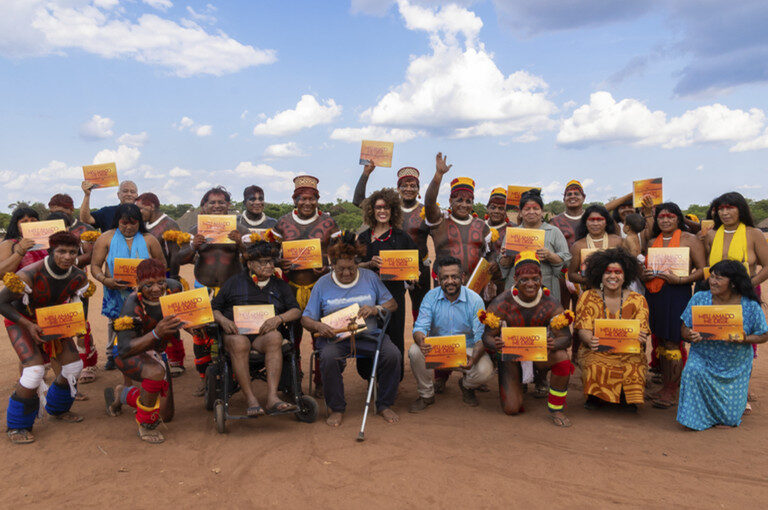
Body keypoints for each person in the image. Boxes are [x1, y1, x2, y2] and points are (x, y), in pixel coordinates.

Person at [300, 232, 400, 427]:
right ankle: (336, 408)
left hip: (369, 335)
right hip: (335, 339)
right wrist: (319, 325)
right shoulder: (322, 284)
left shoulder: (370, 277)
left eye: (351, 268)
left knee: (393, 355)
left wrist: (375, 309)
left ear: (357, 263)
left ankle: (384, 404)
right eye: (341, 269)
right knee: (328, 358)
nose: (346, 273)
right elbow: (306, 318)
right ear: (333, 266)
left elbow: (392, 304)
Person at [0, 232, 91, 444]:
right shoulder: (28, 274)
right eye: (61, 251)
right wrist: (29, 325)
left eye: (72, 252)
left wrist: (78, 322)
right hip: (21, 320)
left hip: (53, 320)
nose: (67, 257)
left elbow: (80, 301)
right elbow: (1, 303)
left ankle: (58, 409)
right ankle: (17, 425)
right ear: (50, 252)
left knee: (73, 368)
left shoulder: (78, 276)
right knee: (34, 371)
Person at [483, 252, 574, 426]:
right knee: (512, 408)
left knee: (562, 358)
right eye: (524, 279)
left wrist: (554, 343)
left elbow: (566, 338)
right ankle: (516, 383)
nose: (531, 284)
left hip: (539, 354)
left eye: (534, 278)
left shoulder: (551, 303)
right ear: (515, 279)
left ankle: (556, 408)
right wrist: (494, 344)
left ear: (541, 277)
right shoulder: (501, 303)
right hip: (511, 358)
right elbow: (487, 336)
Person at [212, 240, 301, 416]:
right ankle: (251, 399)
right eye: (263, 262)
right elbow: (214, 308)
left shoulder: (279, 285)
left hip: (263, 336)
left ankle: (272, 398)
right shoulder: (234, 282)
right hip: (236, 334)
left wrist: (279, 318)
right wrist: (223, 321)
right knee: (240, 343)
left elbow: (296, 310)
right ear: (250, 264)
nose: (269, 266)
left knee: (275, 337)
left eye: (271, 261)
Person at [678, 260, 768, 430]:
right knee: (692, 370)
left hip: (735, 365)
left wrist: (744, 338)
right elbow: (684, 328)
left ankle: (729, 411)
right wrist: (690, 335)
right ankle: (695, 417)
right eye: (711, 277)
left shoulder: (749, 305)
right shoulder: (700, 298)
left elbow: (764, 335)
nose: (712, 281)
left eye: (718, 278)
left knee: (729, 419)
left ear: (733, 283)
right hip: (704, 357)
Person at [176, 186, 249, 392]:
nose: (217, 206)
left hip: (233, 290)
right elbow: (177, 259)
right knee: (202, 335)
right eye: (212, 202)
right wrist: (193, 247)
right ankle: (205, 380)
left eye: (221, 202)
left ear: (228, 205)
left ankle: (235, 377)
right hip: (204, 288)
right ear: (204, 206)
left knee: (234, 332)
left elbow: (257, 257)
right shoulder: (194, 231)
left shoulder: (240, 230)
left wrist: (241, 245)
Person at [104, 259, 183, 443]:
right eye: (148, 285)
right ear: (138, 283)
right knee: (156, 372)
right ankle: (145, 425)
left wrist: (193, 326)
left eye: (161, 282)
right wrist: (157, 333)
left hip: (155, 349)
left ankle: (122, 394)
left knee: (166, 415)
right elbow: (125, 348)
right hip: (128, 352)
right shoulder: (132, 305)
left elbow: (182, 316)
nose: (156, 289)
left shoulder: (174, 289)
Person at [274, 175, 339, 395]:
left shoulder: (329, 223)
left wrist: (328, 266)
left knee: (321, 335)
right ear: (295, 200)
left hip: (321, 288)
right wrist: (278, 262)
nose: (307, 203)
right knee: (291, 336)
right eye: (302, 198)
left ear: (317, 199)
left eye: (312, 198)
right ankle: (293, 379)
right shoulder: (282, 223)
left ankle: (322, 380)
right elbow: (267, 255)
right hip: (289, 287)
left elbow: (340, 255)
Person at [641, 202, 706, 408]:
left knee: (672, 341)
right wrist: (644, 274)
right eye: (661, 217)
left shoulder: (690, 239)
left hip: (677, 293)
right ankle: (666, 384)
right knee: (660, 340)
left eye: (670, 216)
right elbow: (645, 266)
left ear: (678, 218)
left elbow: (703, 270)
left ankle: (671, 389)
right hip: (654, 294)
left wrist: (681, 280)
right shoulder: (652, 241)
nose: (666, 220)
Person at [409, 256, 493, 412]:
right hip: (438, 350)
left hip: (466, 350)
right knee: (415, 351)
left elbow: (480, 337)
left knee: (485, 370)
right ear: (438, 279)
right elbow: (420, 326)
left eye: (454, 277)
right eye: (445, 278)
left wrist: (473, 358)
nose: (450, 281)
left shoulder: (475, 300)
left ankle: (467, 386)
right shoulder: (430, 297)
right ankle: (426, 395)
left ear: (463, 277)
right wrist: (421, 339)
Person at [90, 204, 165, 371]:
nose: (129, 227)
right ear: (117, 221)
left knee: (144, 323)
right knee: (116, 324)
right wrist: (105, 280)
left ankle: (147, 354)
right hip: (115, 293)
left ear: (140, 222)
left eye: (133, 223)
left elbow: (162, 265)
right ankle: (115, 354)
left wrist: (150, 283)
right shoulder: (105, 238)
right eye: (124, 223)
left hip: (145, 295)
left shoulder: (149, 240)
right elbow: (95, 266)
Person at [574, 248, 650, 410]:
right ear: (600, 275)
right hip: (596, 349)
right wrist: (590, 339)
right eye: (608, 272)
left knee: (634, 366)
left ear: (626, 276)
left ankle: (627, 398)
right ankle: (595, 398)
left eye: (618, 272)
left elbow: (642, 330)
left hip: (628, 351)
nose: (613, 276)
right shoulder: (587, 297)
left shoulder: (638, 300)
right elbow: (583, 329)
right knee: (595, 363)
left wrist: (641, 337)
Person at [353, 164, 432, 317]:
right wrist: (366, 174)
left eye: (413, 185)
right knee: (391, 307)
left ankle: (418, 339)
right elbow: (358, 201)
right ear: (398, 188)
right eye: (404, 185)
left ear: (418, 189)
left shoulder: (426, 212)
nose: (408, 189)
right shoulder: (387, 207)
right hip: (388, 275)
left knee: (422, 310)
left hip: (418, 268)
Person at [357, 188, 417, 375]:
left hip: (394, 295)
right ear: (372, 210)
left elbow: (413, 268)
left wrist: (413, 275)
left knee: (394, 334)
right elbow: (353, 267)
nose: (382, 211)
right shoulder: (364, 237)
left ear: (393, 211)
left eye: (387, 207)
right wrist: (368, 263)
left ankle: (392, 379)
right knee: (368, 335)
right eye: (378, 207)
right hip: (368, 295)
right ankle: (370, 377)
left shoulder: (402, 237)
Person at [135, 192, 186, 375]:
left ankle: (175, 359)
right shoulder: (143, 225)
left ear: (151, 206)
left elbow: (174, 256)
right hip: (148, 282)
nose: (138, 211)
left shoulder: (169, 224)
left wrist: (170, 280)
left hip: (165, 279)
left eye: (140, 208)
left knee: (172, 320)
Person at [424, 153, 491, 277]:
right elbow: (429, 203)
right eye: (459, 200)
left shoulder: (482, 227)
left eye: (468, 201)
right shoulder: (439, 222)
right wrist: (438, 176)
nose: (464, 205)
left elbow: (489, 258)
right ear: (450, 201)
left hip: (473, 290)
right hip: (444, 288)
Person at [499, 189, 571, 303]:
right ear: (521, 212)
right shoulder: (513, 233)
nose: (531, 212)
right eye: (527, 209)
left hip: (546, 287)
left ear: (542, 211)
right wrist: (508, 256)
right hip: (516, 288)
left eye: (536, 208)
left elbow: (566, 260)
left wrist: (549, 255)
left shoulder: (553, 231)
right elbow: (503, 264)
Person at [703, 192, 768, 289]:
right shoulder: (710, 235)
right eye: (721, 209)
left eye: (729, 208)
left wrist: (748, 285)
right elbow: (703, 266)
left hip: (747, 291)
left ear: (741, 210)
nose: (725, 213)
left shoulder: (754, 234)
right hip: (715, 293)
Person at [567, 205, 623, 286]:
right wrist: (594, 281)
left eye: (599, 220)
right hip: (591, 291)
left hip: (616, 290)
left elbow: (627, 268)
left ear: (606, 221)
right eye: (591, 220)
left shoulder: (618, 241)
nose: (595, 223)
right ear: (585, 222)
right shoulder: (577, 246)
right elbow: (571, 275)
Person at [0, 207, 46, 276]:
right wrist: (20, 251)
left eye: (33, 221)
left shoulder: (44, 242)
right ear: (16, 225)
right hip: (22, 285)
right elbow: (1, 272)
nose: (29, 224)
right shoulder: (9, 244)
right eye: (24, 222)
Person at [550, 180, 587, 248]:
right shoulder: (555, 222)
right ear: (564, 199)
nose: (572, 196)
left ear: (583, 198)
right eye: (569, 194)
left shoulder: (591, 219)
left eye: (576, 194)